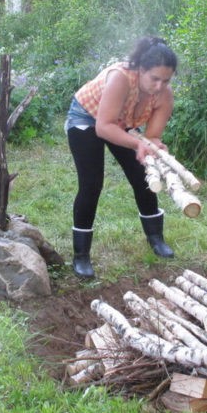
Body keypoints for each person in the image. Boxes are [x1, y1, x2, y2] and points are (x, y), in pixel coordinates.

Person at [65, 36, 178, 279]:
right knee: (91, 184)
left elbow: (152, 136)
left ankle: (156, 238)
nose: (160, 86)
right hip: (87, 118)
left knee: (142, 175)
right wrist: (138, 143)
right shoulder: (121, 78)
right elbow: (103, 127)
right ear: (141, 70)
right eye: (155, 79)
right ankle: (81, 256)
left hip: (121, 121)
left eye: (166, 80)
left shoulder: (164, 95)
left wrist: (153, 147)